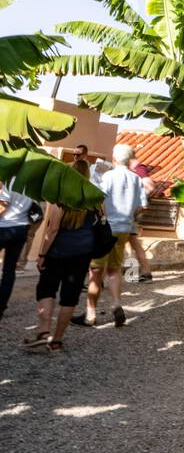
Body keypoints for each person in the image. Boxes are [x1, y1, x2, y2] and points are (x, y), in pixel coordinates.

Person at [24, 160, 102, 352]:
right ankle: (57, 340)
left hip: (58, 253)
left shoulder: (61, 197)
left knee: (46, 290)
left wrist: (42, 253)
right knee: (70, 297)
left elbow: (53, 229)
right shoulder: (94, 198)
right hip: (82, 254)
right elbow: (101, 221)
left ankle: (43, 332)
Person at [80, 144, 148, 327]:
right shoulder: (136, 179)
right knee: (115, 270)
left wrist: (103, 216)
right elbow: (143, 205)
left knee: (95, 271)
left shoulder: (107, 176)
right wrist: (130, 216)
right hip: (125, 228)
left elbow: (98, 200)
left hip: (106, 228)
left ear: (115, 158)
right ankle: (116, 304)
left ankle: (90, 314)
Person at [0, 178, 35, 321]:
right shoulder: (32, 183)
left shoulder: (11, 180)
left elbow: (3, 205)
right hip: (21, 228)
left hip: (4, 227)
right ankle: (1, 306)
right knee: (9, 270)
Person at [128, 154, 155, 282]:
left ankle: (99, 279)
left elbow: (149, 185)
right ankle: (144, 272)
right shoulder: (136, 169)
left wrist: (137, 204)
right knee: (133, 243)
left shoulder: (139, 169)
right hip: (132, 212)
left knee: (117, 244)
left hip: (130, 213)